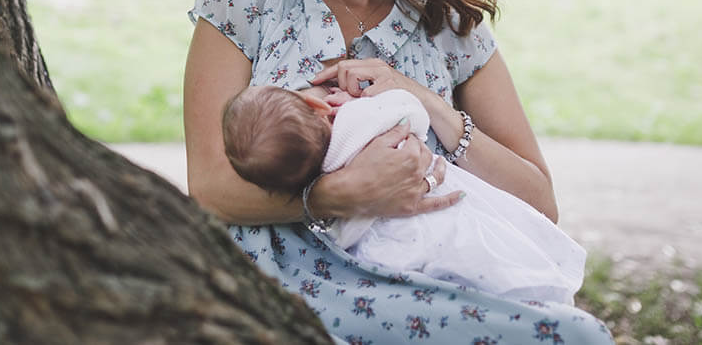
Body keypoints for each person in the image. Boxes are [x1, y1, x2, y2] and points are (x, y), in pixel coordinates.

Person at [184, 0, 613, 344]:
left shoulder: (448, 26)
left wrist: (428, 103)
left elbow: (539, 203)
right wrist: (340, 195)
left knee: (579, 337)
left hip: (417, 284)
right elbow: (209, 189)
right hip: (276, 277)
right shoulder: (242, 3)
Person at [222, 84, 588, 305]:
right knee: (485, 259)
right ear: (319, 106)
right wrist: (363, 98)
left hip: (381, 252)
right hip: (438, 214)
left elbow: (344, 233)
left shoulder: (316, 171)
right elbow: (407, 109)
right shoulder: (356, 118)